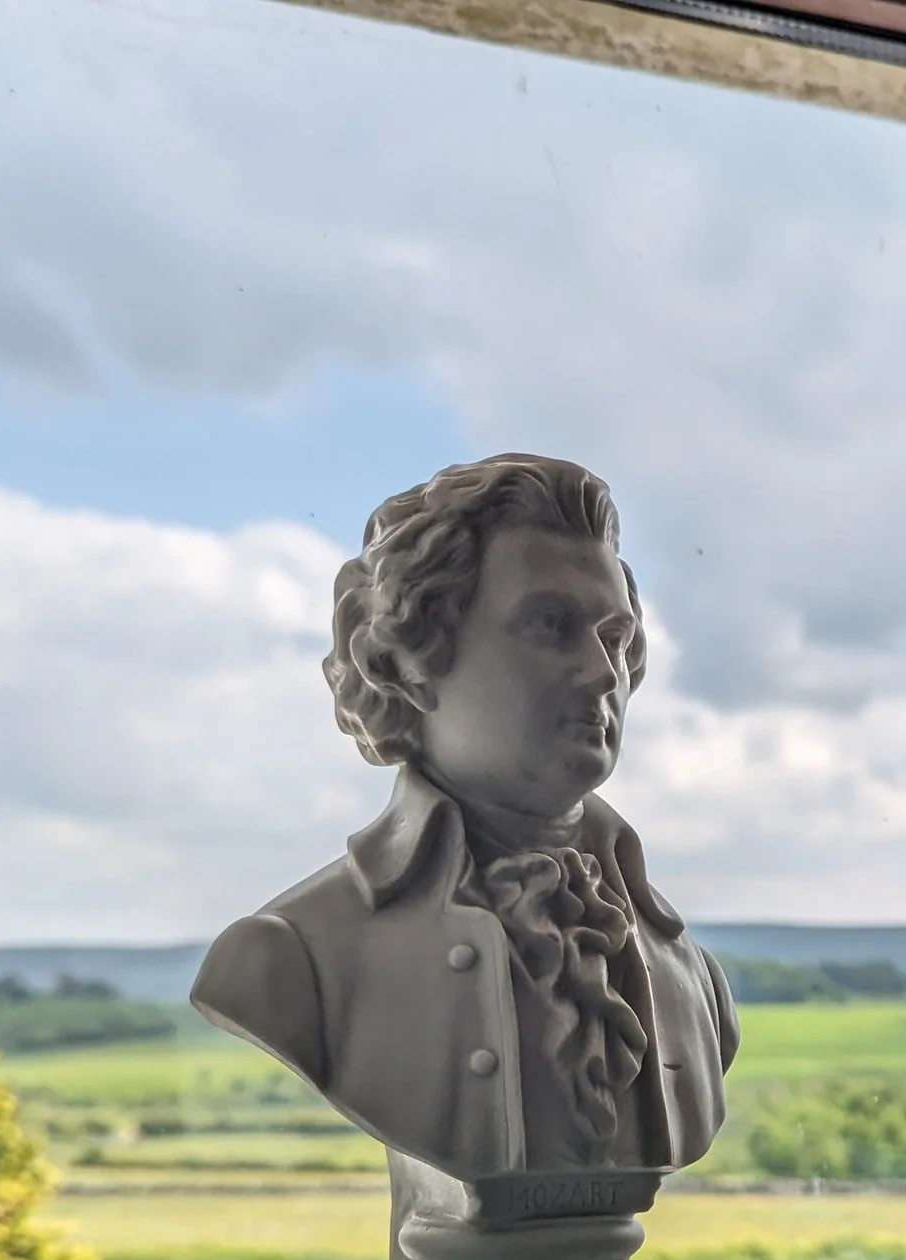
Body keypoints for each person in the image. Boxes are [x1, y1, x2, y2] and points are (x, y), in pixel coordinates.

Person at [192, 454, 735, 1181]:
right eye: (551, 625)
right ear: (411, 657)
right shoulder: (288, 961)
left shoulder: (689, 974)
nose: (606, 672)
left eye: (614, 636)